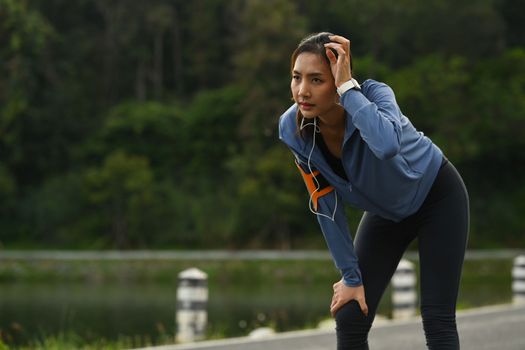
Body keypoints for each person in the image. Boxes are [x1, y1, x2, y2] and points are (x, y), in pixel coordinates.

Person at [278, 32, 470, 349]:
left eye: (317, 80)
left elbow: (386, 145)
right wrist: (350, 276)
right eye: (296, 78)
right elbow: (325, 205)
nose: (302, 91)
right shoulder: (293, 129)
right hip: (385, 213)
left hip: (438, 197)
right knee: (350, 314)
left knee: (437, 319)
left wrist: (347, 89)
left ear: (339, 79)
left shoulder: (376, 95)